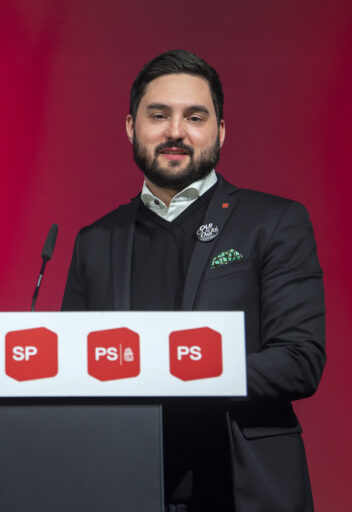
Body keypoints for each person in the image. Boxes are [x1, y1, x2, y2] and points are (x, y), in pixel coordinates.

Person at [62, 50, 325, 511]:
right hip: (123, 485)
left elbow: (299, 360)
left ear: (220, 131)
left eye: (195, 117)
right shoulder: (95, 241)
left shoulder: (276, 222)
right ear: (130, 126)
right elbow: (71, 366)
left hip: (242, 488)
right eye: (158, 115)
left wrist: (177, 370)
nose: (176, 132)